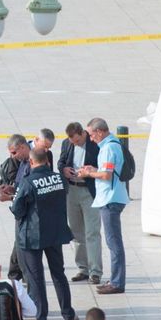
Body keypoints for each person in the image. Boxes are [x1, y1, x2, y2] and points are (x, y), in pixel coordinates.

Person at [11, 146, 76, 320]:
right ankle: (69, 314)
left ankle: (41, 318)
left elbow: (17, 209)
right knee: (59, 274)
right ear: (48, 161)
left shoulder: (28, 182)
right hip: (55, 233)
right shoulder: (59, 178)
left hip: (32, 236)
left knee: (35, 277)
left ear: (31, 162)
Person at [78, 118, 129, 294]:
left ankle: (117, 282)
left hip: (110, 199)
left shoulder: (108, 148)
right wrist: (93, 169)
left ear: (100, 131)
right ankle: (115, 280)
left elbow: (106, 176)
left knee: (113, 242)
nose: (91, 139)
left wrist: (89, 173)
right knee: (113, 241)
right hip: (113, 198)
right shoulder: (112, 144)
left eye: (92, 135)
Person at [58, 121, 103, 286]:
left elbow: (102, 167)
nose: (75, 144)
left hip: (89, 191)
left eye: (77, 141)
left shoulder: (94, 144)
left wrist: (89, 172)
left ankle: (95, 271)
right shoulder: (67, 143)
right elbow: (61, 162)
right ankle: (83, 268)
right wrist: (64, 170)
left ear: (83, 134)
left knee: (92, 232)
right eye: (72, 142)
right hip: (72, 190)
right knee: (76, 232)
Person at [0, 134, 33, 280]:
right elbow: (21, 187)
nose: (12, 156)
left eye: (14, 152)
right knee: (20, 241)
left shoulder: (32, 161)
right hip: (21, 210)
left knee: (23, 242)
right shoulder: (22, 161)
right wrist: (12, 190)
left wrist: (11, 197)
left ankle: (19, 274)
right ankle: (19, 274)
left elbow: (31, 193)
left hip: (30, 212)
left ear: (23, 147)